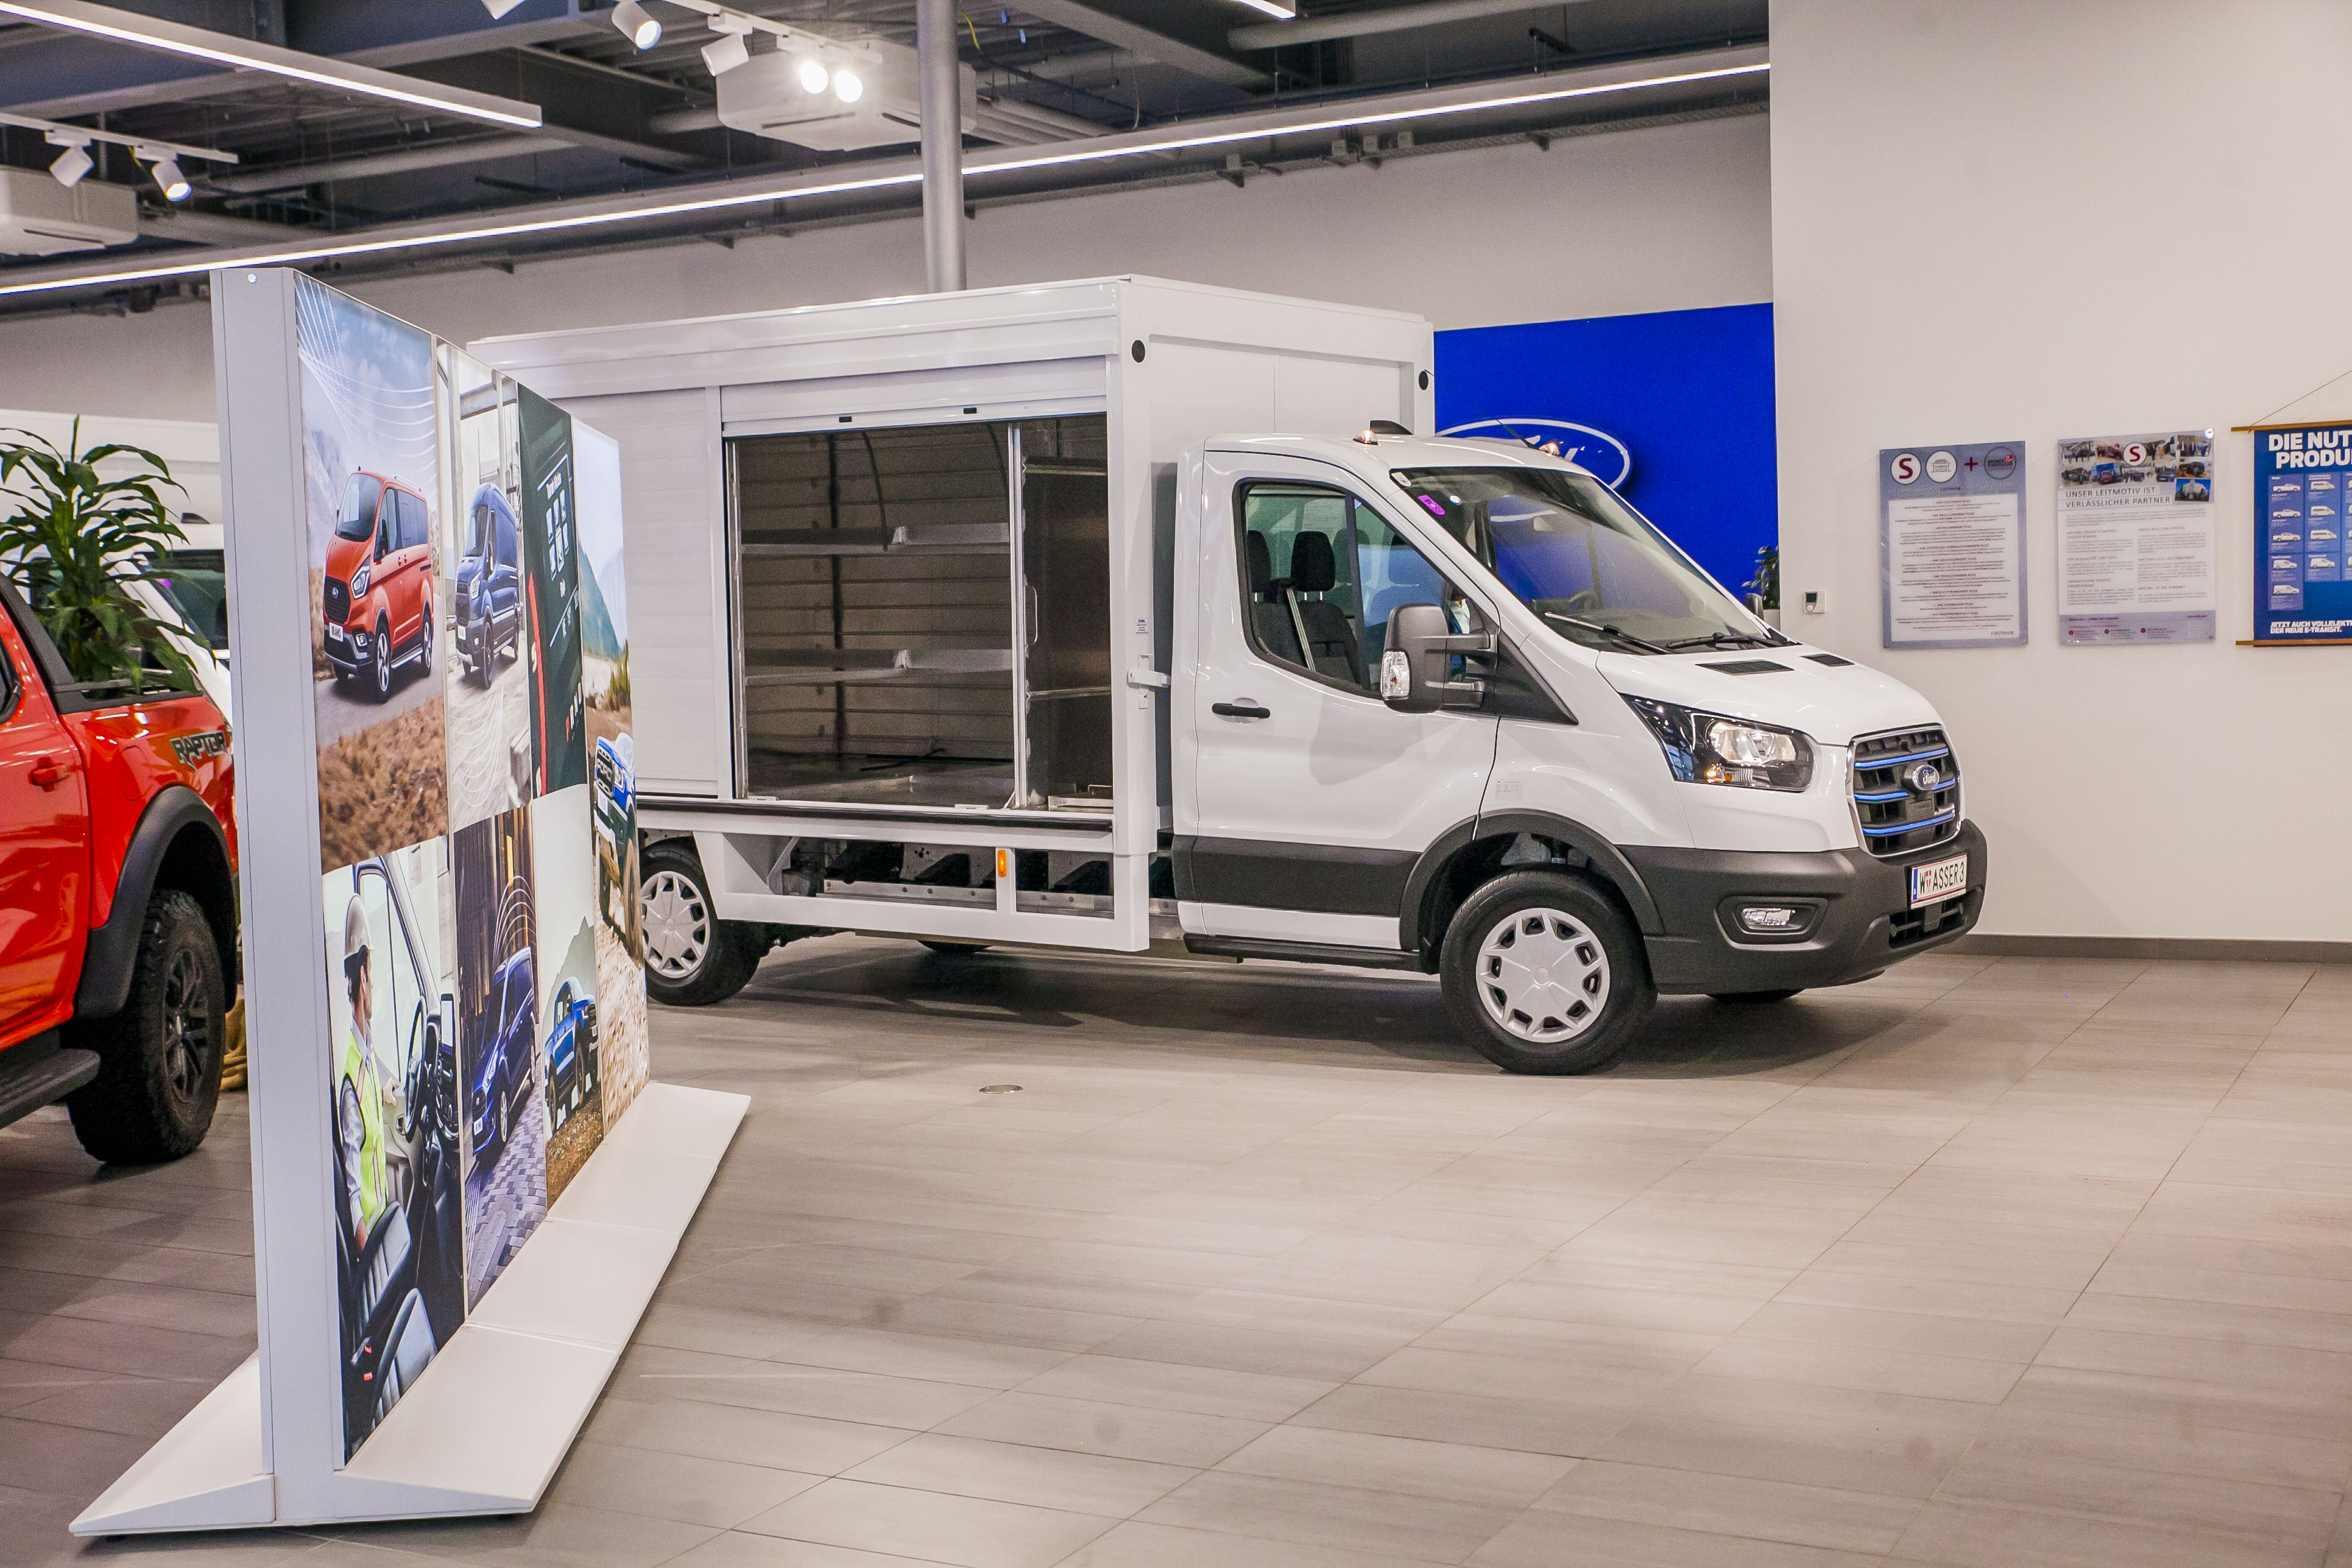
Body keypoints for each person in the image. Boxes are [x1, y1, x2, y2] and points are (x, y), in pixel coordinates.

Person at [337, 897, 397, 1250]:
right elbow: (352, 1189)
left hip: (383, 1224)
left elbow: (369, 1105)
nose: (373, 984)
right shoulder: (351, 1081)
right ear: (363, 976)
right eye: (372, 974)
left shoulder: (366, 1052)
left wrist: (385, 1094)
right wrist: (368, 1258)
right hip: (372, 1239)